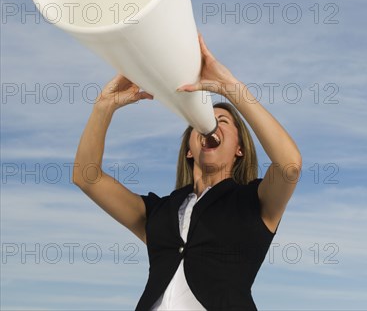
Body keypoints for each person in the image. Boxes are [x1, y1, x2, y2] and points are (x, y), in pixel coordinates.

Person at [72, 33, 302, 310]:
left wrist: (231, 89)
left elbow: (289, 165)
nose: (210, 124)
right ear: (189, 149)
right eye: (202, 120)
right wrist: (103, 107)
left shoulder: (254, 204)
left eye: (223, 121)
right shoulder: (157, 214)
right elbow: (87, 177)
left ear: (239, 149)